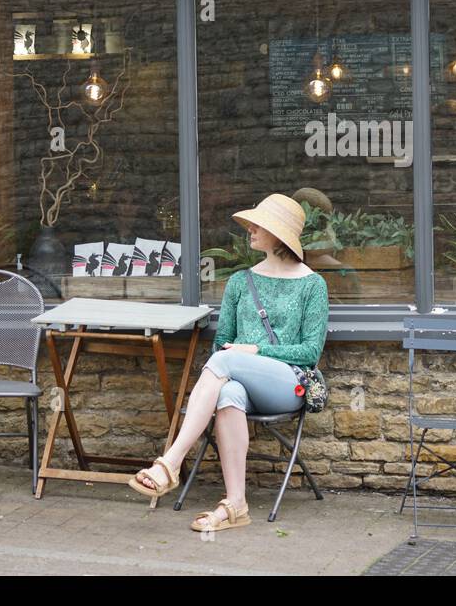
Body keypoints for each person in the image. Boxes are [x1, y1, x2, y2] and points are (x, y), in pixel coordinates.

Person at [128, 193, 328, 532]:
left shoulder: (312, 285)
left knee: (226, 361)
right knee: (227, 394)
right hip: (240, 378)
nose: (249, 228)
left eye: (258, 224)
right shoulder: (240, 281)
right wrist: (237, 356)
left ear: (278, 234)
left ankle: (171, 462)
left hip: (287, 384)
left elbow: (310, 352)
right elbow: (222, 343)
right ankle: (236, 504)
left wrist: (255, 352)